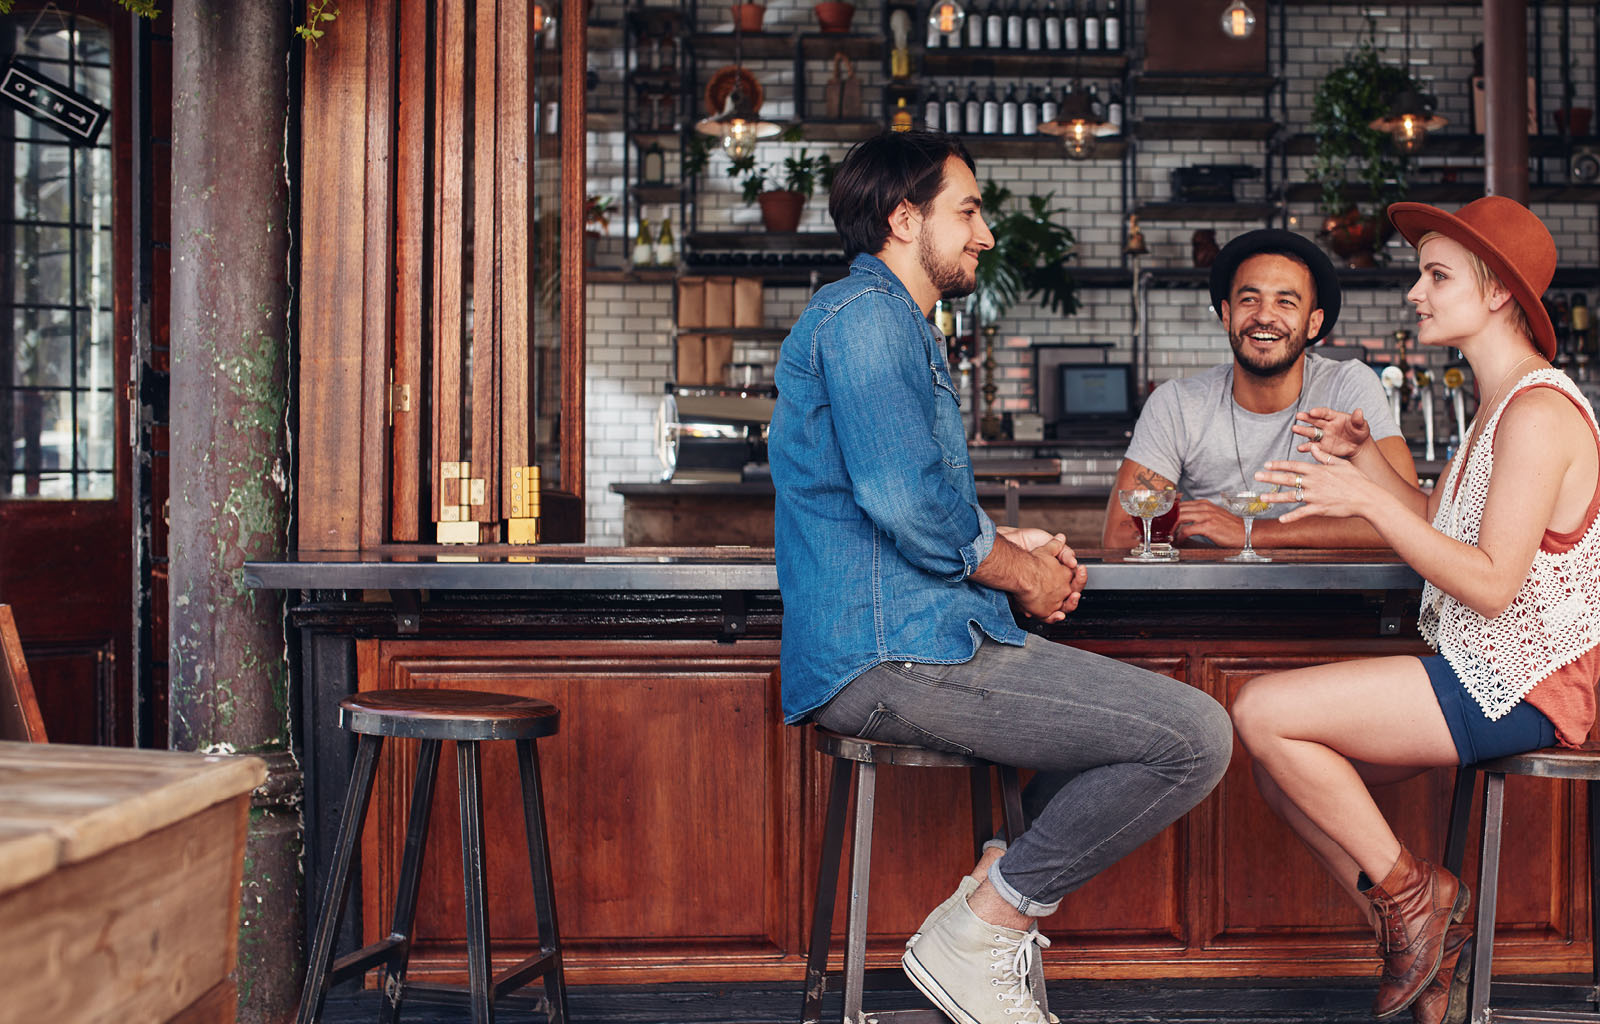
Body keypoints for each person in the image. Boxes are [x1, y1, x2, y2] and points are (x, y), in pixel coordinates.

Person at [768, 129, 1233, 1024]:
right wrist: (1019, 571)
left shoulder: (893, 323)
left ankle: (993, 894)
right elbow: (905, 502)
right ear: (905, 219)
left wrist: (1002, 537)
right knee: (1194, 737)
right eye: (969, 211)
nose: (985, 234)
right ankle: (983, 925)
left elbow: (903, 500)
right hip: (889, 657)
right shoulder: (866, 319)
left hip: (916, 640)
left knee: (1169, 736)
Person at [1231, 196, 1600, 1024]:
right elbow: (1444, 530)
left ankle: (1417, 898)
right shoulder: (1500, 408)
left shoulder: (1538, 413)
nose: (1414, 293)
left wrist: (1362, 497)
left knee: (1260, 711)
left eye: (1436, 275)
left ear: (1497, 291)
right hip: (1482, 671)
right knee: (1272, 759)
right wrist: (1369, 462)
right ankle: (1424, 929)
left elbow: (1493, 582)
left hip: (1524, 682)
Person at [1102, 229, 1417, 551]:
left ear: (1313, 323)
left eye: (1286, 301)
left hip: (1333, 596)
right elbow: (1120, 536)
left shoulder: (1348, 385)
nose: (1265, 316)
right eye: (1249, 299)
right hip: (1205, 595)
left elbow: (1409, 522)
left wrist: (1248, 533)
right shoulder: (1177, 403)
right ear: (1227, 315)